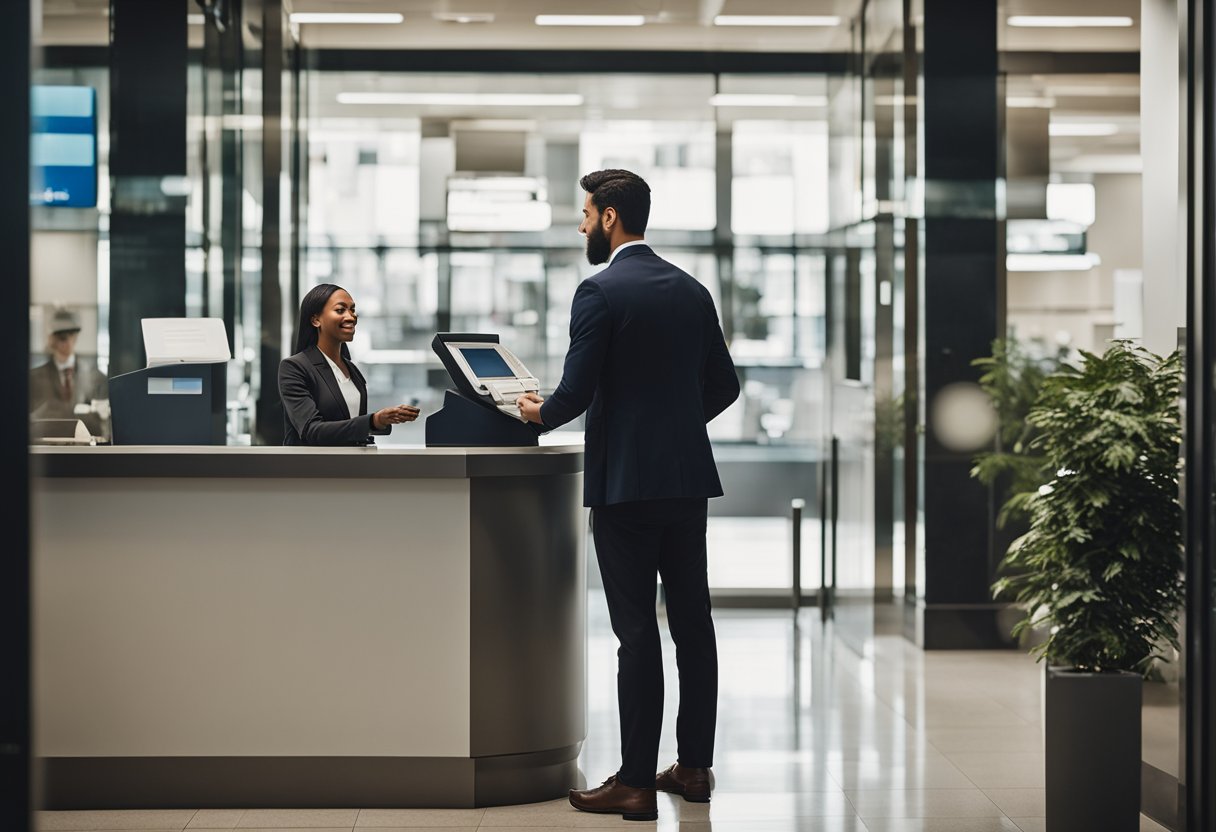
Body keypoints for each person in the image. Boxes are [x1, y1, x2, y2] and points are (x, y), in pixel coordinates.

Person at [515, 169, 740, 821]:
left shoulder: (601, 291)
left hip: (624, 487)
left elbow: (574, 393)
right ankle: (694, 768)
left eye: (587, 214)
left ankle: (636, 781)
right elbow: (724, 386)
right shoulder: (692, 290)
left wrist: (533, 413)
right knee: (693, 624)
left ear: (611, 217)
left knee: (636, 631)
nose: (583, 224)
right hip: (686, 481)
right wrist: (671, 426)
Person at [279, 283, 419, 446]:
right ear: (316, 320)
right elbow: (311, 430)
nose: (351, 316)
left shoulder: (350, 368)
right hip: (313, 468)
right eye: (340, 310)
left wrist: (382, 421)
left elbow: (350, 425)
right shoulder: (295, 367)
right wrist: (373, 421)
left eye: (352, 309)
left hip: (350, 467)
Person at [30, 305, 110, 438]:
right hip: (46, 450)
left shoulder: (97, 378)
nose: (65, 340)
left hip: (85, 451)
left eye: (70, 334)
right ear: (52, 338)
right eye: (60, 335)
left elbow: (105, 427)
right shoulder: (33, 379)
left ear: (76, 336)